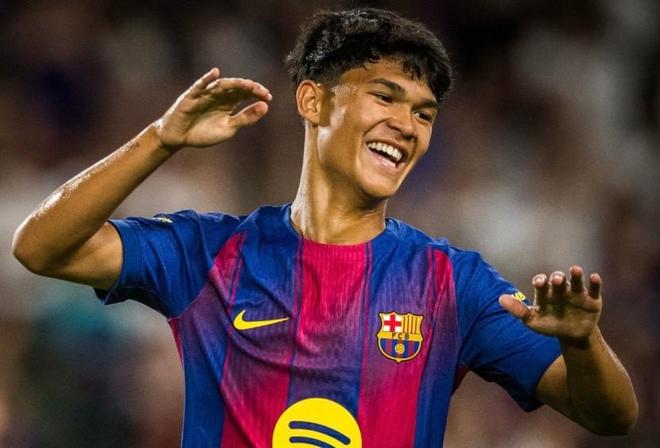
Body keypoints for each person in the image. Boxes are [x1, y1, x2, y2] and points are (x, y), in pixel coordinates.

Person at [12, 8, 637, 447]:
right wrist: (160, 140)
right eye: (385, 97)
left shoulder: (452, 283)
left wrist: (584, 343)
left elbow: (612, 416)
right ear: (313, 101)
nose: (407, 125)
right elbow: (41, 247)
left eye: (424, 114)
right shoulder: (210, 253)